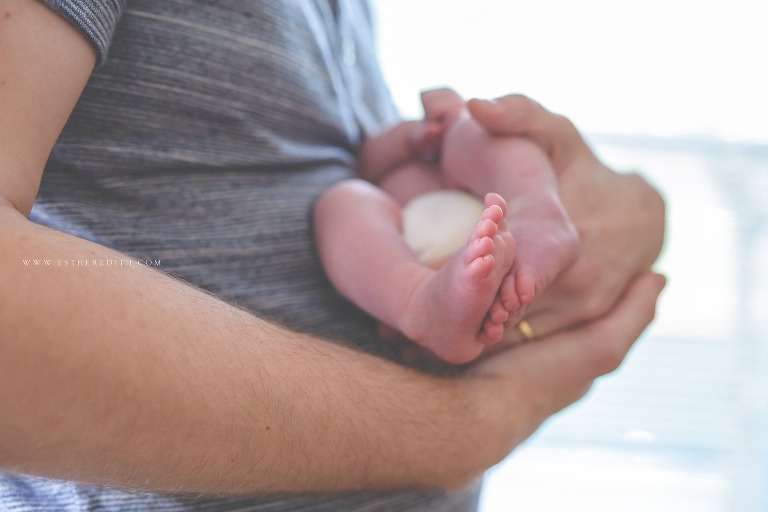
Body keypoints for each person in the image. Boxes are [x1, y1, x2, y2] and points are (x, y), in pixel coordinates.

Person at [0, 1, 665, 511]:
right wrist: (467, 427)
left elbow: (369, 157)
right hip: (415, 260)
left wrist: (629, 208)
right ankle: (426, 295)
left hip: (435, 214)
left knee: (452, 141)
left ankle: (532, 207)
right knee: (346, 202)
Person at [314, 87, 579, 363]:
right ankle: (419, 304)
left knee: (474, 129)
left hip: (500, 222)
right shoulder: (387, 166)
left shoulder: (453, 152)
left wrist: (454, 121)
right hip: (402, 266)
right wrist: (405, 138)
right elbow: (364, 163)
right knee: (343, 198)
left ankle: (536, 208)